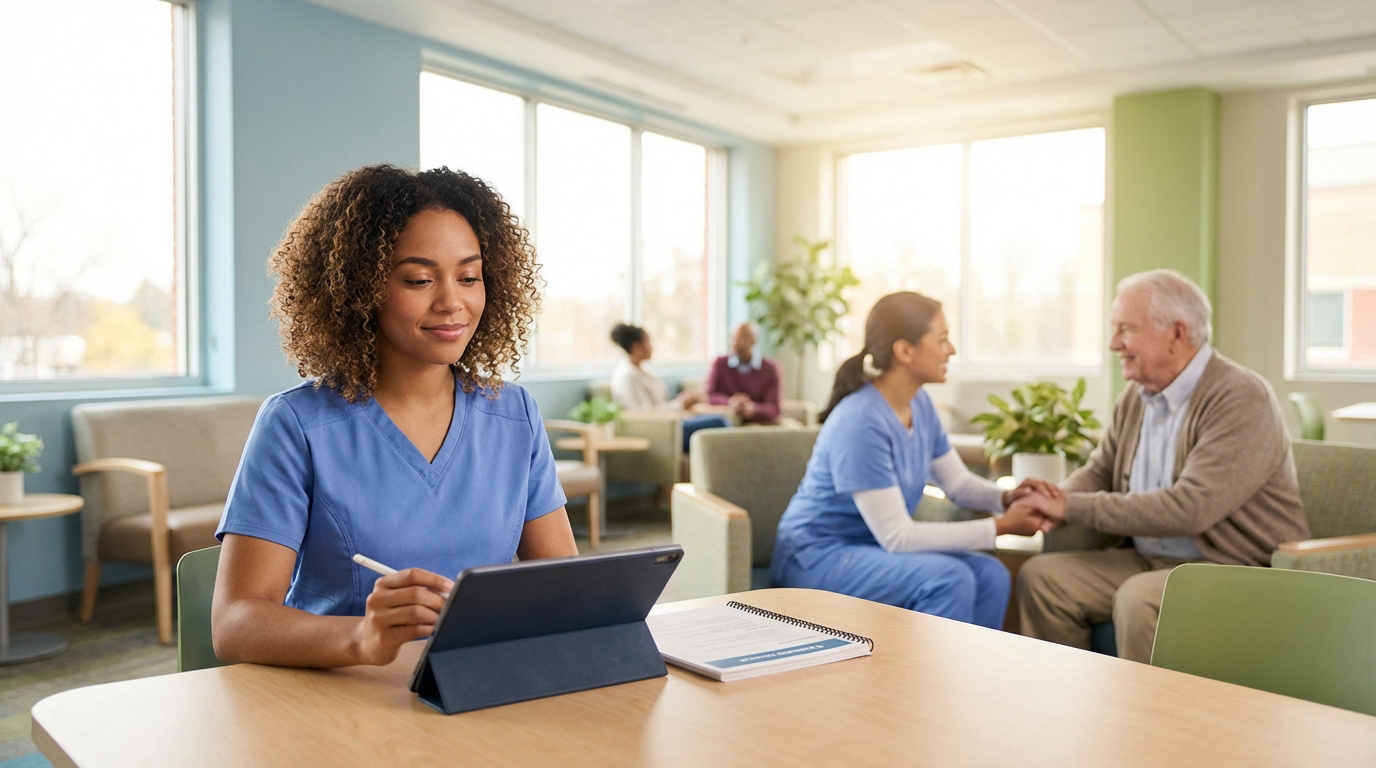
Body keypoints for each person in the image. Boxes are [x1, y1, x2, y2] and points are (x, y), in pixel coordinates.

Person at [212, 164, 578, 668]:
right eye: (420, 279)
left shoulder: (515, 415)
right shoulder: (296, 424)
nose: (452, 302)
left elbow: (564, 587)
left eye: (469, 277)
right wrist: (363, 637)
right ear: (360, 290)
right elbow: (234, 623)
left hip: (476, 685)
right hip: (338, 696)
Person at [1011, 269, 1309, 662]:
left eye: (1126, 329)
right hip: (1151, 559)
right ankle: (1074, 710)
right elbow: (1101, 470)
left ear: (1177, 334)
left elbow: (1192, 508)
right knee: (1043, 578)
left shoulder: (1240, 398)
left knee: (1142, 599)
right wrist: (1053, 496)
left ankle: (1146, 723)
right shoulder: (1137, 397)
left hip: (1234, 567)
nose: (1113, 343)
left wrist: (1069, 507)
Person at [769, 291, 1057, 629]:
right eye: (943, 339)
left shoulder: (920, 405)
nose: (951, 350)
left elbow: (958, 484)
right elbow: (898, 537)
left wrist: (1007, 497)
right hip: (816, 557)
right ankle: (923, 681)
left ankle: (970, 680)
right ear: (905, 350)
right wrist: (1001, 526)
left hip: (874, 550)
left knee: (991, 574)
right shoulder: (860, 421)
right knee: (949, 578)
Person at [609, 323, 730, 451]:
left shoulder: (642, 371)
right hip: (660, 430)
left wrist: (682, 402)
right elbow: (644, 414)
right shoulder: (627, 375)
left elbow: (659, 404)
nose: (651, 347)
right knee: (719, 423)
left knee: (718, 421)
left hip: (669, 423)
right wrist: (680, 404)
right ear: (636, 347)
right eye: (648, 342)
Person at [706, 322, 783, 425]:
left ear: (753, 340)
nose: (736, 343)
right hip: (723, 421)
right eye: (733, 338)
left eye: (742, 338)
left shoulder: (770, 369)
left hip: (756, 426)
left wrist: (753, 409)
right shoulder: (720, 364)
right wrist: (730, 402)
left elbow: (774, 408)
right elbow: (709, 396)